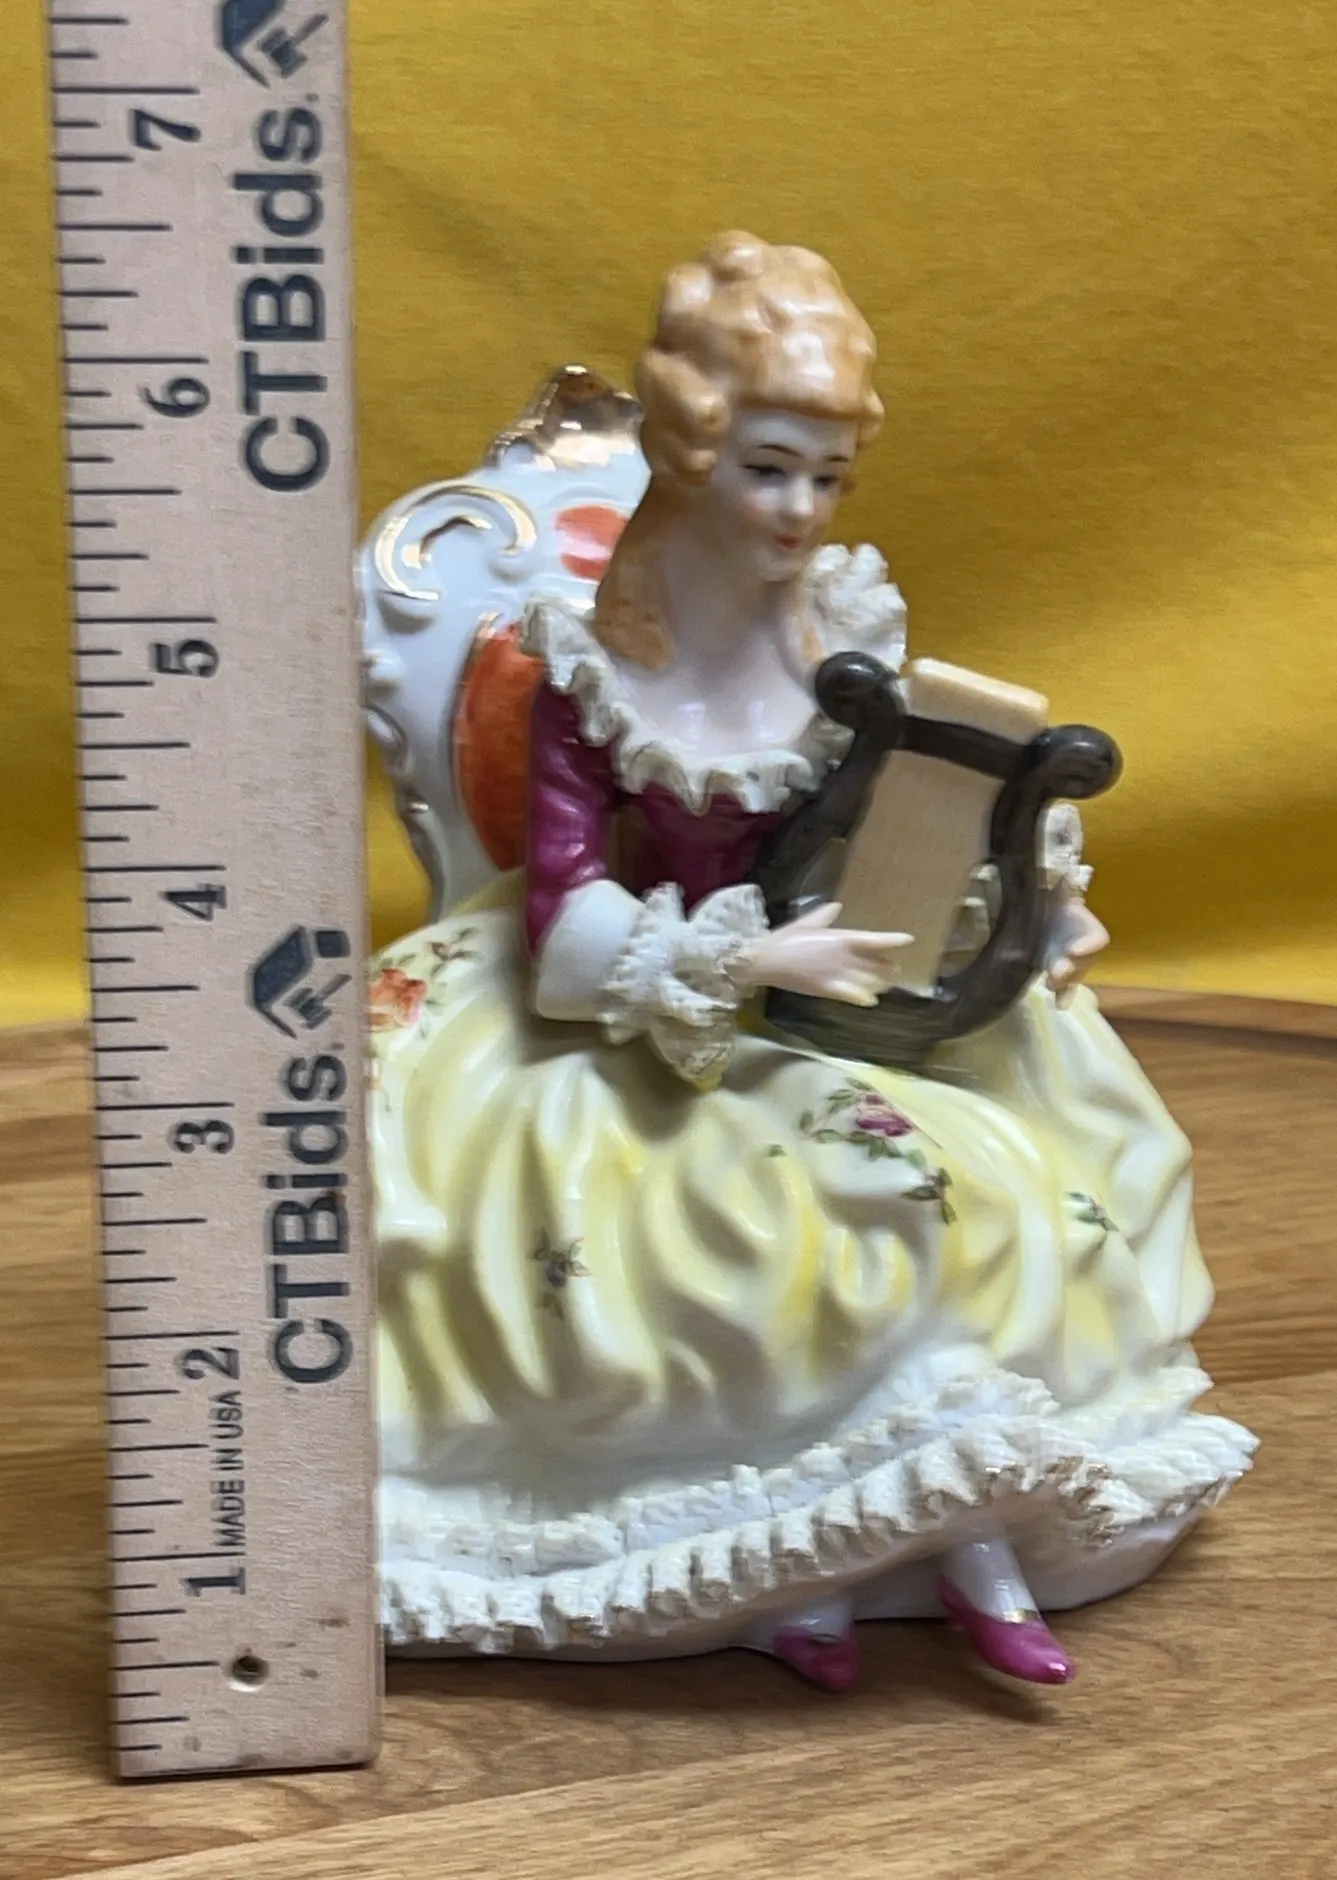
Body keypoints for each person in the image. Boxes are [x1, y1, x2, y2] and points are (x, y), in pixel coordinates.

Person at [370, 231, 1253, 1691]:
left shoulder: (847, 630)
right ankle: (804, 1556)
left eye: (827, 477)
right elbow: (565, 923)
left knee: (1010, 1188)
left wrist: (1029, 905)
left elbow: (909, 813)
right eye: (768, 470)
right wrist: (741, 957)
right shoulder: (591, 668)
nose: (799, 511)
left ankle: (958, 1527)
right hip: (652, 1008)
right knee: (778, 1224)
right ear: (691, 457)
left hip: (844, 984)